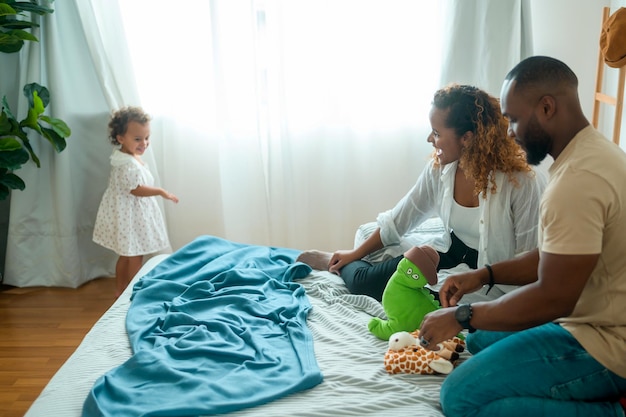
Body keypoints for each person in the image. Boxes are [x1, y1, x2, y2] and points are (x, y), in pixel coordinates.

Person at [418, 56, 626, 416]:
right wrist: (485, 276)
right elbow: (553, 256)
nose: (509, 132)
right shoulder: (594, 153)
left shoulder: (576, 182)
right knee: (482, 338)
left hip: (606, 345)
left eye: (513, 120)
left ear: (546, 108)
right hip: (590, 318)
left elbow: (553, 297)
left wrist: (462, 316)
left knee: (459, 398)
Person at [297, 84, 546, 302]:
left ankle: (345, 265)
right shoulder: (440, 171)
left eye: (437, 133)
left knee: (419, 301)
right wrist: (354, 254)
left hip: (493, 277)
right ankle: (340, 262)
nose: (430, 139)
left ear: (467, 138)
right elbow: (400, 220)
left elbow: (531, 261)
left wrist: (482, 279)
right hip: (450, 253)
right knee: (366, 267)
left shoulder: (521, 184)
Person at [93, 106, 179, 297]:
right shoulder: (127, 164)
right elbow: (135, 189)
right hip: (129, 215)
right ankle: (132, 290)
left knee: (127, 253)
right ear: (120, 138)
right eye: (138, 139)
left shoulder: (126, 157)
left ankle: (120, 289)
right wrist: (160, 191)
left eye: (147, 137)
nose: (144, 143)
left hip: (128, 213)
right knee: (134, 255)